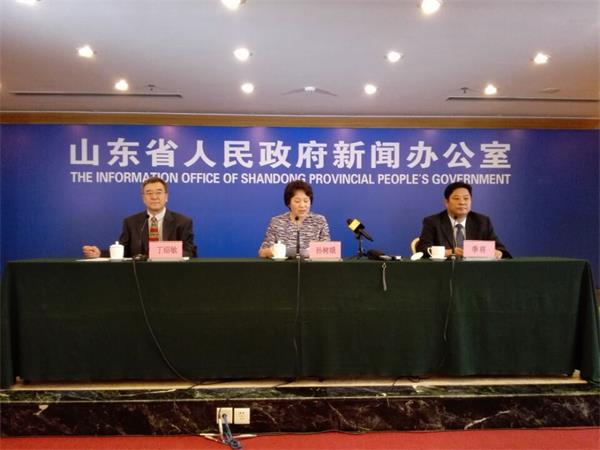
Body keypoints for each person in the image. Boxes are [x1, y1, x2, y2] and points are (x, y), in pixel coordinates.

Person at [82, 176, 197, 258]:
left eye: (158, 192)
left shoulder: (182, 222)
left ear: (166, 196)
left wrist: (162, 253)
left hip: (172, 272)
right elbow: (123, 250)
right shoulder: (130, 222)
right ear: (143, 198)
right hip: (140, 275)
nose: (154, 197)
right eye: (149, 193)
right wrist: (100, 253)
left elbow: (190, 252)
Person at [416, 182, 510, 259]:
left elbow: (501, 249)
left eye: (466, 198)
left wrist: (499, 253)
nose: (462, 202)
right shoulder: (433, 222)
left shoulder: (482, 222)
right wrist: (450, 252)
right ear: (446, 202)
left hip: (476, 272)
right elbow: (422, 250)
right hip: (444, 272)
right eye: (456, 198)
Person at [259, 180, 331, 258]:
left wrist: (308, 253)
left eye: (306, 201)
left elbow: (327, 250)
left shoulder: (319, 221)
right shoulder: (277, 222)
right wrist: (278, 251)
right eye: (297, 201)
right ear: (289, 203)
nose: (302, 205)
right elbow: (263, 252)